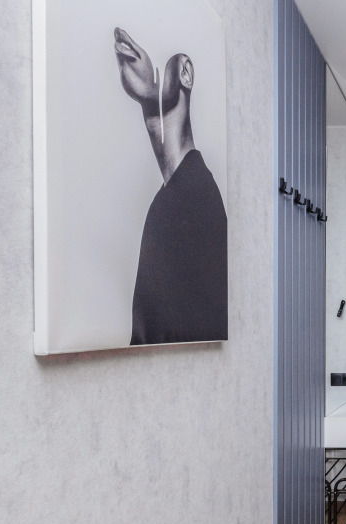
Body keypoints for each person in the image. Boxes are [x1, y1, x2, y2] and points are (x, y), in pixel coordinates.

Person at [114, 27, 228, 345]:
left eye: (156, 48)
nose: (131, 48)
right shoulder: (173, 195)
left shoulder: (195, 197)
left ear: (185, 74)